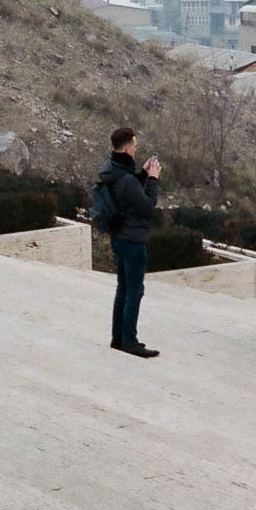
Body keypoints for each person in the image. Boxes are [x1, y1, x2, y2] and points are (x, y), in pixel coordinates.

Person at [98, 126, 162, 358]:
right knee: (135, 290)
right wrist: (153, 180)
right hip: (133, 239)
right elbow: (146, 206)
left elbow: (128, 191)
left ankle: (119, 337)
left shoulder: (112, 170)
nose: (136, 150)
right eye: (134, 146)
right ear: (126, 147)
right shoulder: (126, 179)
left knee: (123, 287)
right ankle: (130, 341)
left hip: (118, 237)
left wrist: (143, 175)